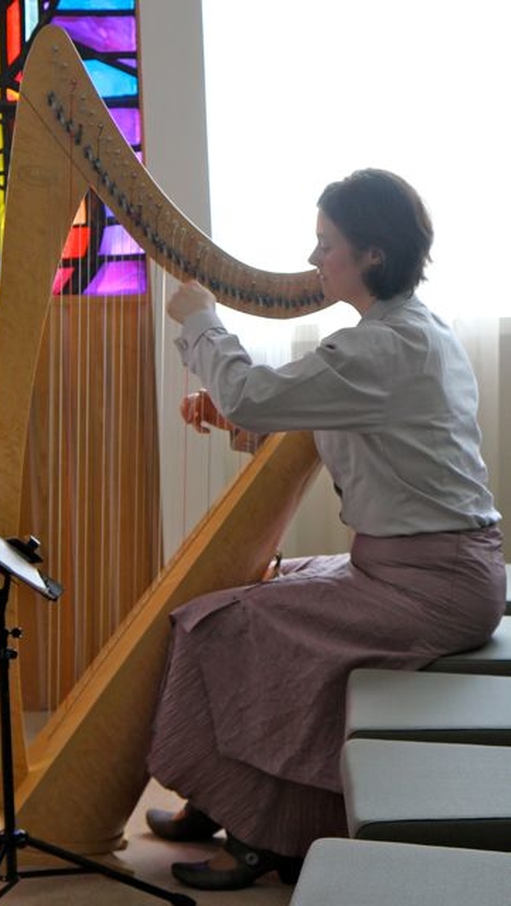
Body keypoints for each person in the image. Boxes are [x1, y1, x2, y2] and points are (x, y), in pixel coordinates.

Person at [145, 168, 506, 891]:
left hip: (432, 584)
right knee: (253, 591)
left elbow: (253, 391)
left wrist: (200, 320)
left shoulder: (384, 347)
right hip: (422, 569)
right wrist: (235, 423)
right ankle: (220, 798)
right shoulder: (399, 334)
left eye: (324, 244)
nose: (313, 260)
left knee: (223, 624)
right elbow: (348, 434)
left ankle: (259, 831)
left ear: (371, 254)